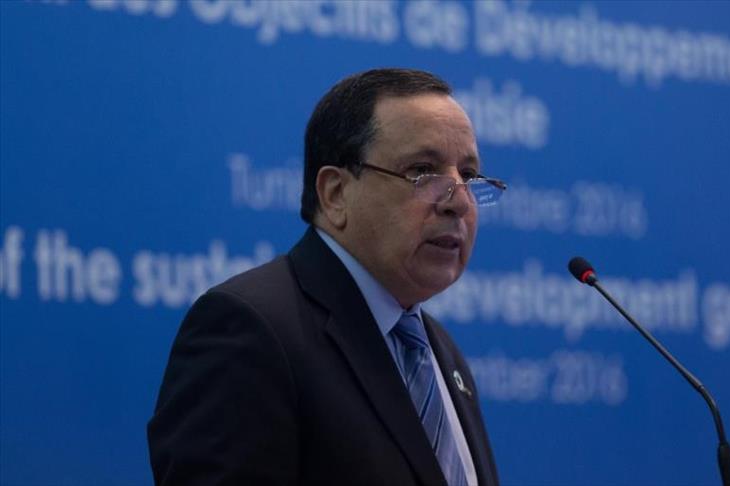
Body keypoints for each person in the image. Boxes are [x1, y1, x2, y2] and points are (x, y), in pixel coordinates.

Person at [147, 68, 506, 485]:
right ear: (335, 194)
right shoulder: (251, 332)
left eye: (469, 175)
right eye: (422, 171)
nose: (459, 201)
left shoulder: (438, 350)